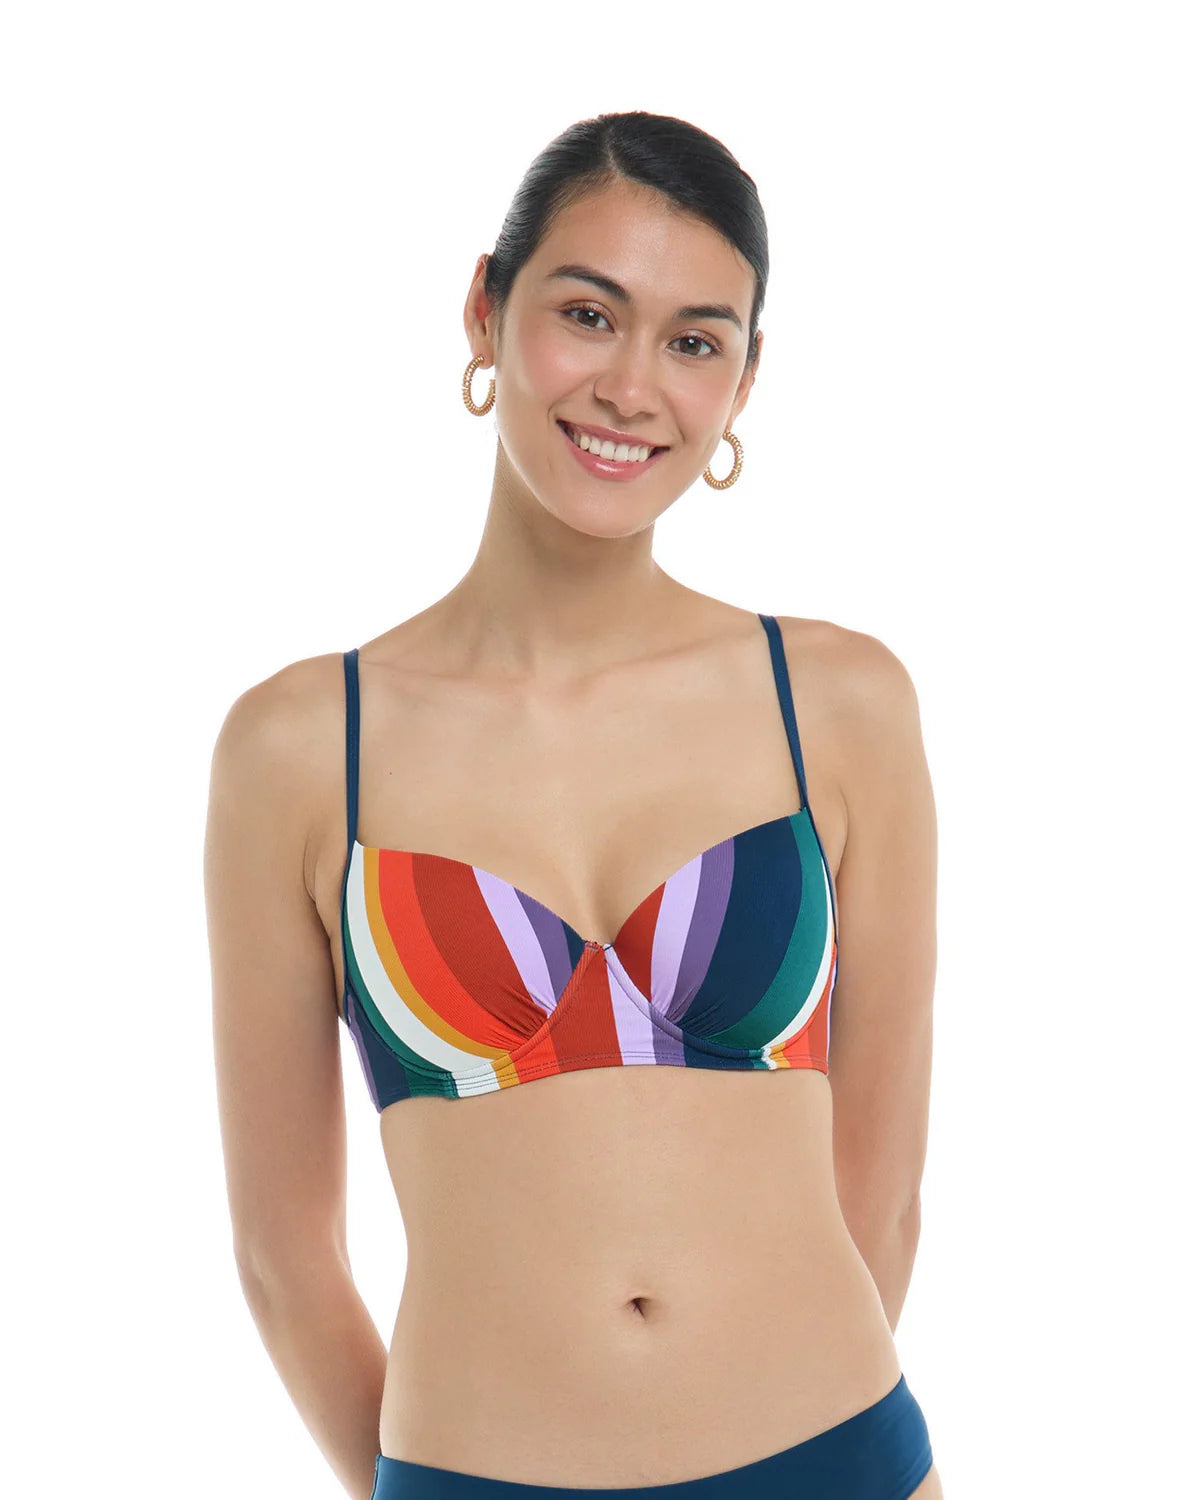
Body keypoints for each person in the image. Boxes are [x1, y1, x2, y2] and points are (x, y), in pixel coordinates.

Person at [205, 110, 942, 1500]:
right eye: (589, 315)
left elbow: (883, 1196)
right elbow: (283, 1257)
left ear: (743, 382)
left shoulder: (840, 704)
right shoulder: (299, 749)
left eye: (694, 342)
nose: (631, 388)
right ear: (486, 311)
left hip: (835, 1456)